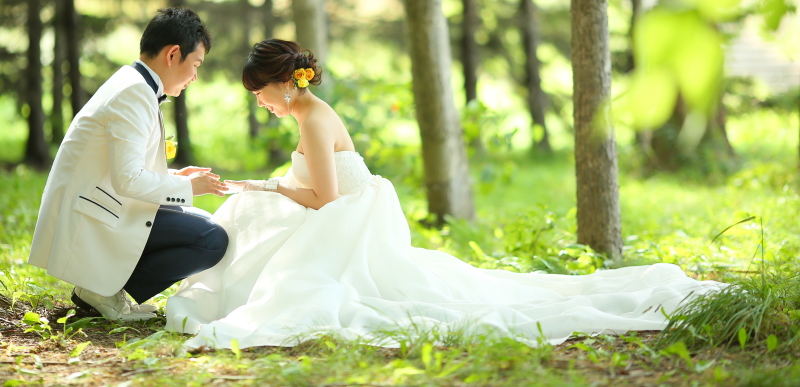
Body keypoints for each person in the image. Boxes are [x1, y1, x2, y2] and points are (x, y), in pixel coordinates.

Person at [165, 38, 723, 349]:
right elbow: (311, 186)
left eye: (260, 93)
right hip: (344, 210)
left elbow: (326, 200)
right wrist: (264, 189)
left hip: (345, 221)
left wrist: (267, 188)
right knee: (247, 207)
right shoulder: (305, 111)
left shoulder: (310, 119)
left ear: (283, 83)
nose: (259, 103)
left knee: (254, 213)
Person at [28, 7, 229, 322]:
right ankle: (102, 289)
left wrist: (177, 177)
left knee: (201, 219)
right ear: (174, 54)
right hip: (98, 212)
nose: (195, 76)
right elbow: (128, 180)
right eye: (196, 65)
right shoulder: (134, 93)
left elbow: (122, 168)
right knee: (211, 239)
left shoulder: (133, 82)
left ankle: (104, 287)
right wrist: (187, 187)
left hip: (103, 202)